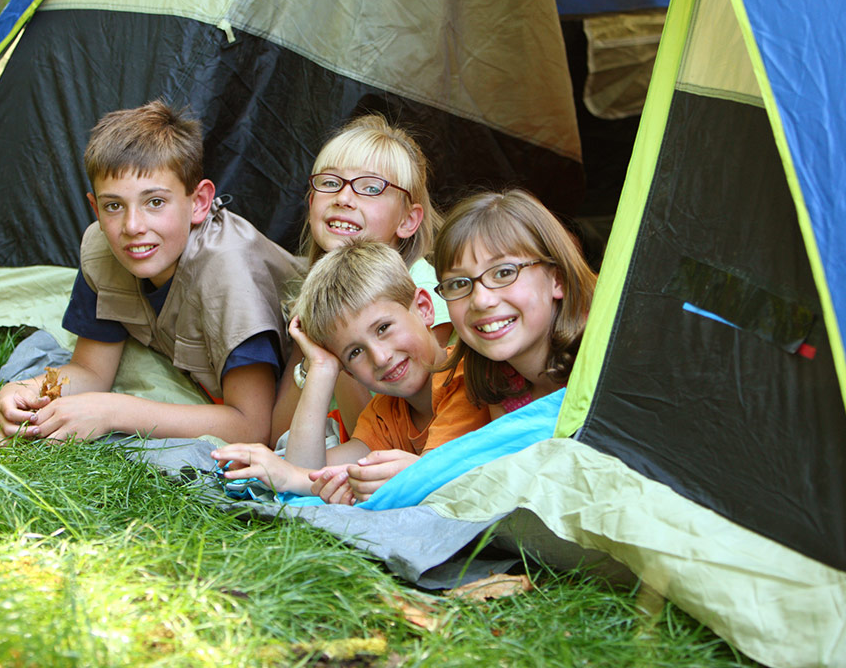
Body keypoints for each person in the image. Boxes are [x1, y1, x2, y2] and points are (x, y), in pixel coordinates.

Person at [0, 100, 302, 444]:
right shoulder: (104, 247)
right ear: (95, 208)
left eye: (155, 202)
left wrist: (112, 413)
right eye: (114, 206)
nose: (133, 226)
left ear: (199, 202)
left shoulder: (229, 275)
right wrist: (25, 390)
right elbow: (92, 372)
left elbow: (252, 428)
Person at [212, 241, 490, 504]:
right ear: (349, 371)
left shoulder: (467, 378)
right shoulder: (385, 413)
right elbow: (308, 471)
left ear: (424, 308)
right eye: (354, 352)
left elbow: (427, 480)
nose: (380, 357)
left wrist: (290, 476)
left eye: (383, 328)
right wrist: (322, 367)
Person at [270, 114, 447, 444]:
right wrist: (318, 361)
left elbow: (373, 441)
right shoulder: (318, 300)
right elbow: (280, 432)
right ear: (311, 203)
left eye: (370, 188)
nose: (344, 198)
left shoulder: (423, 290)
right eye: (330, 183)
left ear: (408, 220)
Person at [432, 189, 597, 416]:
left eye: (503, 273)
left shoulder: (604, 358)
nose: (480, 300)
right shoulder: (499, 381)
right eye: (459, 283)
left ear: (557, 279)